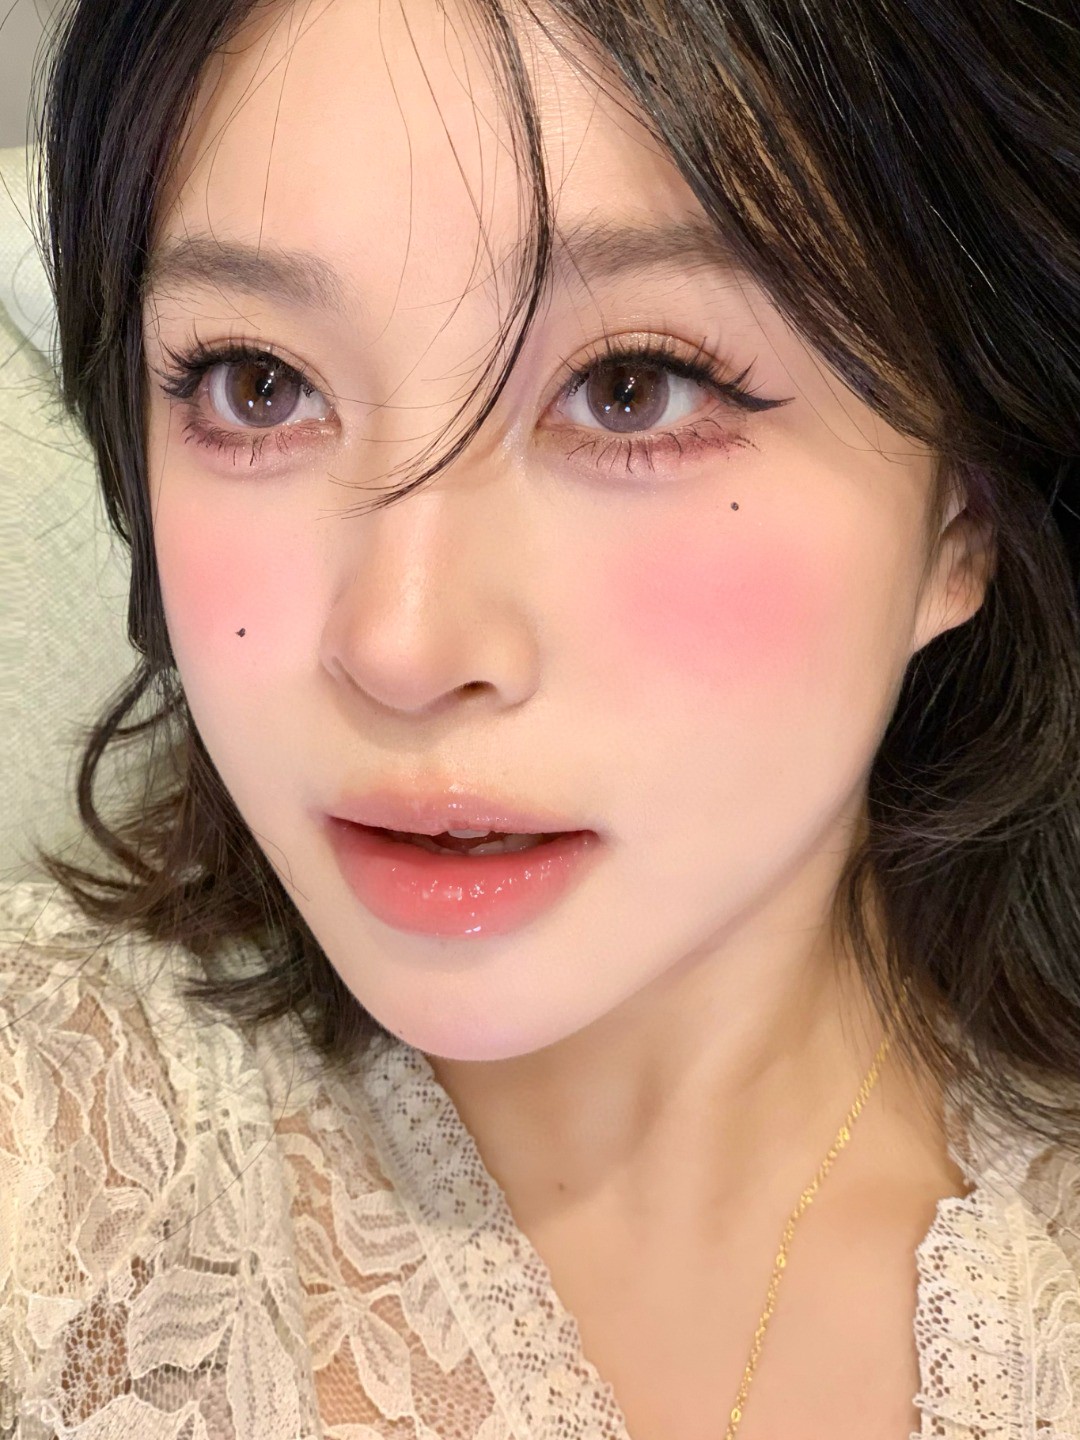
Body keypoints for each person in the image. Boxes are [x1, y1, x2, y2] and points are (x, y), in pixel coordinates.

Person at [2, 0, 1078, 1435]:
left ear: (966, 511)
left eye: (633, 390)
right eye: (259, 387)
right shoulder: (51, 1154)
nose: (402, 647)